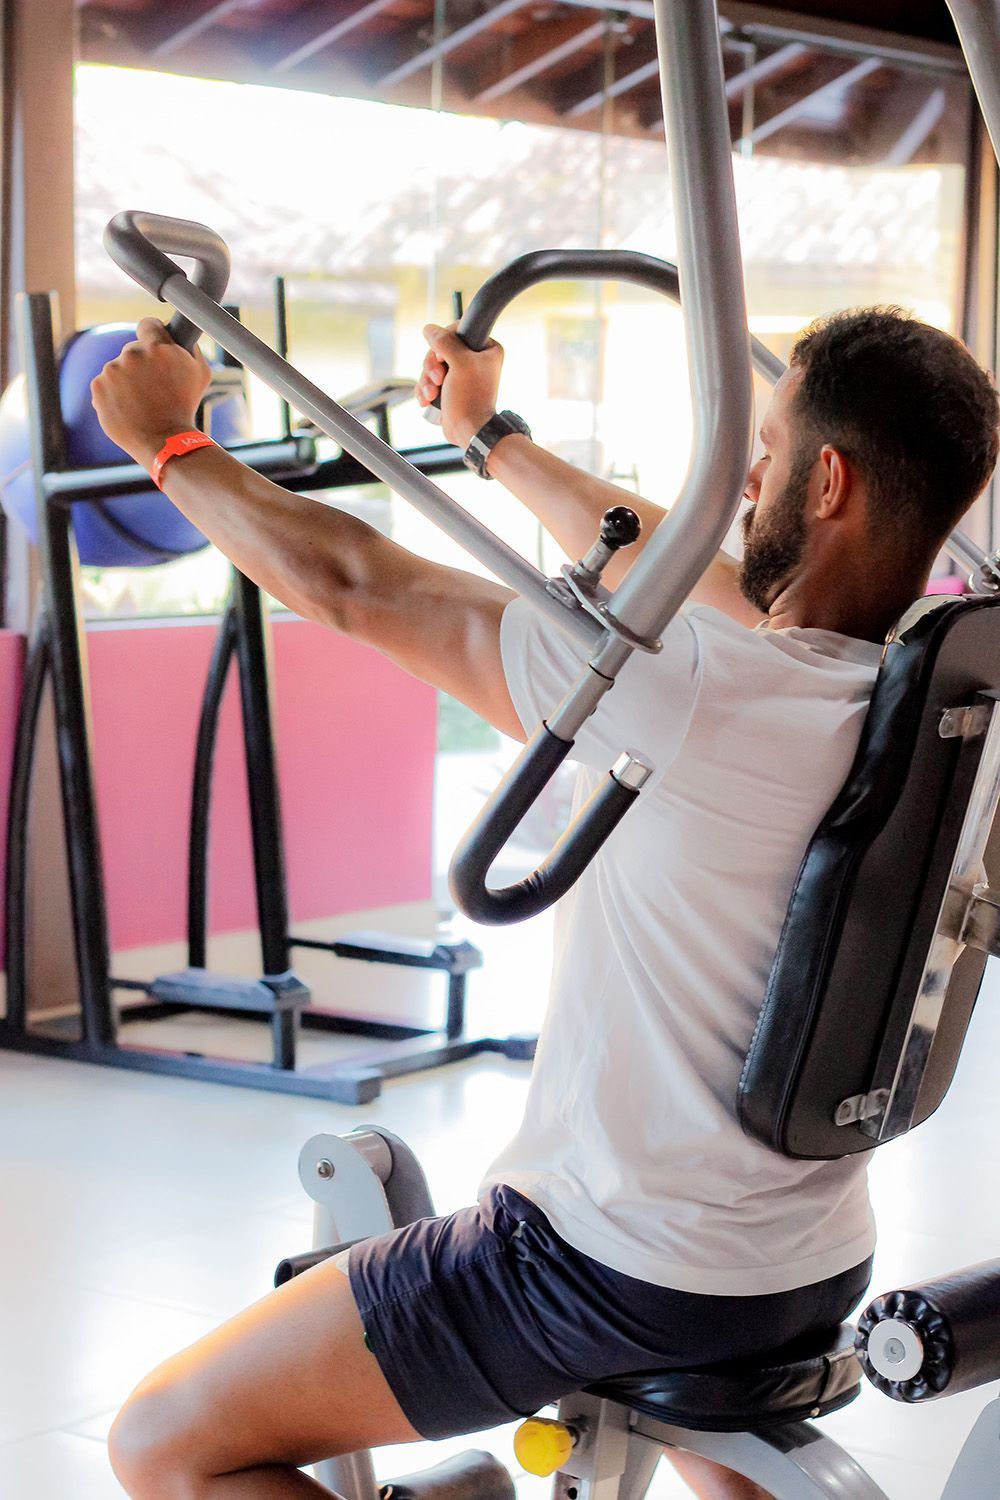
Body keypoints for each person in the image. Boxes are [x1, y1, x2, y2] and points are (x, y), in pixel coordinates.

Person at [90, 304, 999, 1500]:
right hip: (804, 1270)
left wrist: (167, 442)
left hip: (591, 1269)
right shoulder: (939, 709)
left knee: (159, 1443)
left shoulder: (687, 695)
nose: (745, 484)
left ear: (825, 481)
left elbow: (353, 581)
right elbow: (688, 573)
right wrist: (490, 437)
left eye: (766, 454)